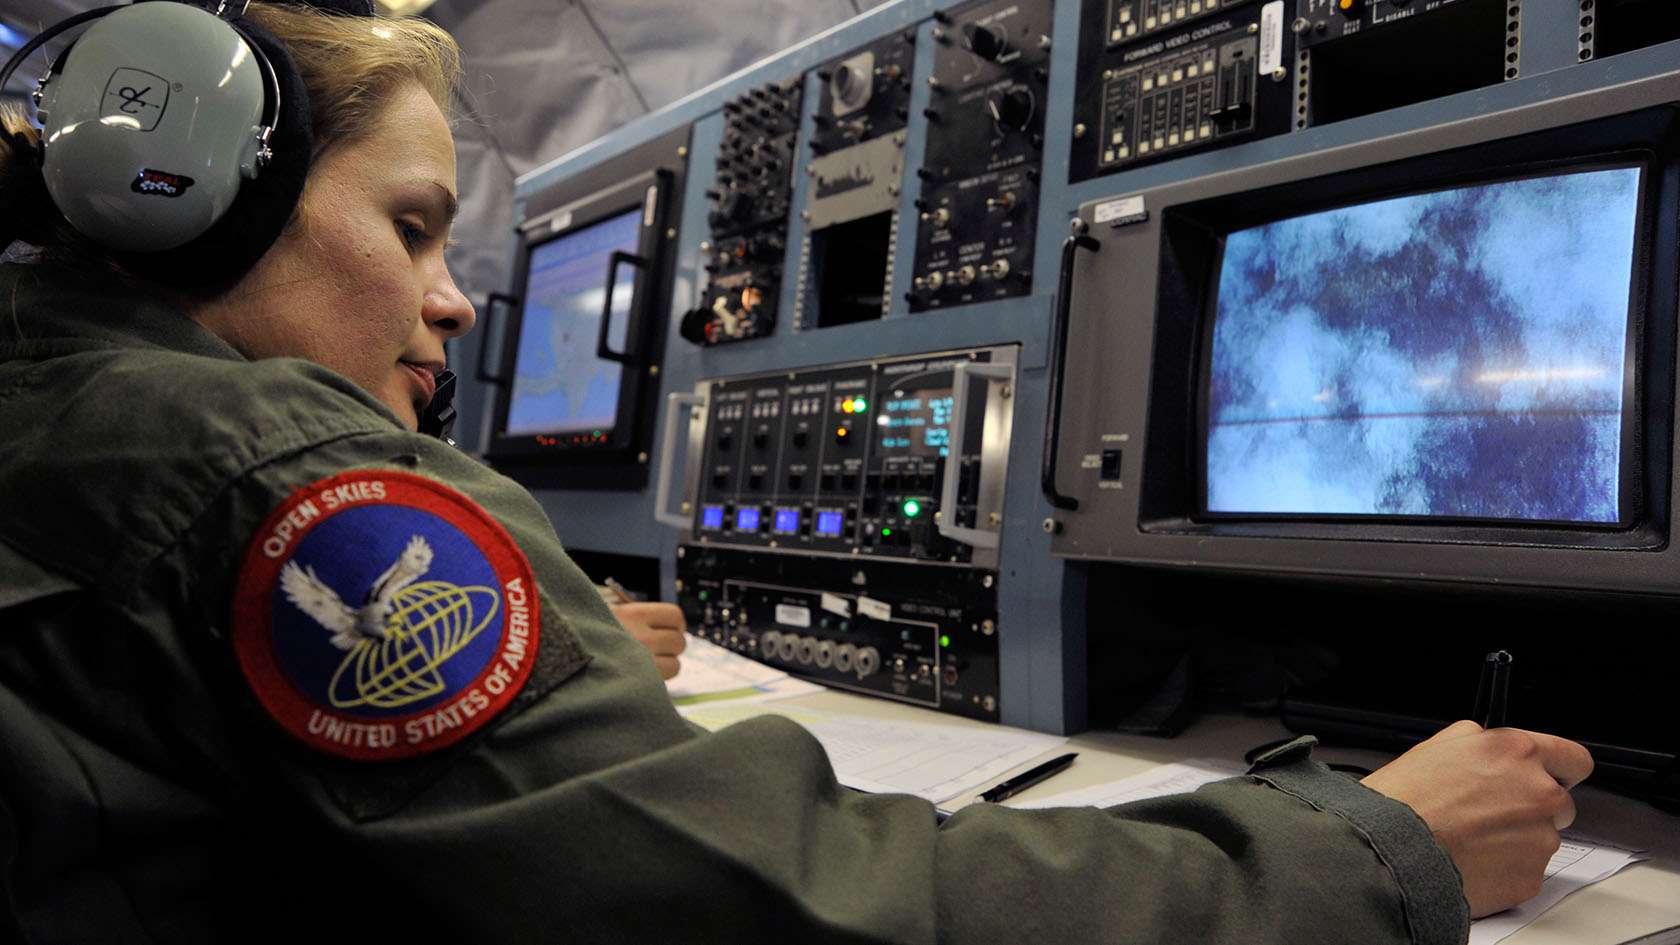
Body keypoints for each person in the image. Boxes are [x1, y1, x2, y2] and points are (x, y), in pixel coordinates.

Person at [0, 2, 1593, 943]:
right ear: (186, 206)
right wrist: (1373, 850)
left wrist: (548, 682)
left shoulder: (71, 401)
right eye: (411, 226)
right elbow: (789, 904)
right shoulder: (280, 474)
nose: (455, 299)